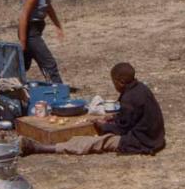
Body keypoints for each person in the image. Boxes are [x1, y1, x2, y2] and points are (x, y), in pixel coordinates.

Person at [18, 62, 166, 156]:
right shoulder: (140, 89)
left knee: (94, 142)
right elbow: (132, 116)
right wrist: (112, 118)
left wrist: (104, 125)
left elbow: (122, 130)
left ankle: (40, 148)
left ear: (120, 82)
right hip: (155, 137)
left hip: (142, 141)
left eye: (113, 82)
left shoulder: (129, 98)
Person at [18, 0, 64, 83]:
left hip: (36, 30)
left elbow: (48, 7)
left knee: (23, 64)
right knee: (49, 63)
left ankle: (12, 85)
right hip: (30, 32)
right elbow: (23, 17)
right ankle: (59, 91)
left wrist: (57, 25)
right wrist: (23, 42)